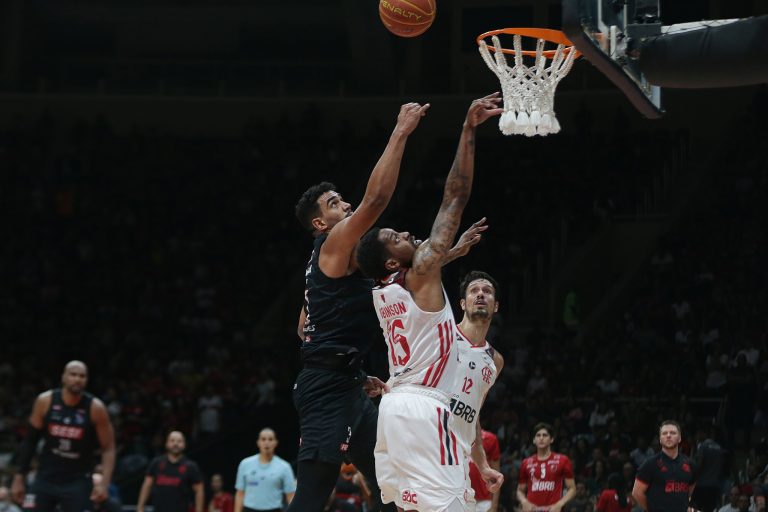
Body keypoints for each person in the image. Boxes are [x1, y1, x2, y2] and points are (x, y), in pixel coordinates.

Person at [356, 92, 504, 511]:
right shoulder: (419, 270)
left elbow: (420, 278)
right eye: (396, 238)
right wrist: (468, 130)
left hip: (393, 407)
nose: (406, 234)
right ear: (392, 260)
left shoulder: (382, 289)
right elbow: (454, 197)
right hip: (424, 408)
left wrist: (450, 254)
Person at [290, 101, 429, 512]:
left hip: (347, 383)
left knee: (389, 487)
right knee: (312, 497)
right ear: (320, 224)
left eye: (342, 200)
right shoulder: (333, 243)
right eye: (335, 204)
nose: (346, 206)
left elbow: (303, 327)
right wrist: (401, 131)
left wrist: (349, 365)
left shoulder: (325, 266)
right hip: (326, 391)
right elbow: (377, 199)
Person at [11, 361, 116, 512]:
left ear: (86, 380)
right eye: (73, 374)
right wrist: (19, 477)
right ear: (64, 377)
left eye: (82, 376)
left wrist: (104, 484)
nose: (77, 379)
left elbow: (108, 448)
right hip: (45, 478)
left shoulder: (96, 408)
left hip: (78, 481)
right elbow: (30, 441)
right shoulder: (45, 401)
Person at [452, 271, 505, 512]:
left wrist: (482, 465)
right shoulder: (443, 335)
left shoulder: (495, 361)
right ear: (463, 303)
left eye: (487, 291)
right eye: (474, 290)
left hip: (457, 457)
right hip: (425, 442)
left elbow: (472, 415)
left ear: (496, 306)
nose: (481, 294)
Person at [632, 421, 697, 512]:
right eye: (664, 433)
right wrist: (652, 509)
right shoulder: (650, 464)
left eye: (673, 433)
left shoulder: (690, 464)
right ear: (660, 439)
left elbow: (690, 491)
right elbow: (637, 493)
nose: (668, 436)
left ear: (679, 438)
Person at [136, 431, 203, 512]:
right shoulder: (156, 463)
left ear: (184, 445)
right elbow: (147, 486)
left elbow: (199, 491)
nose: (175, 444)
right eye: (172, 441)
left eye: (179, 441)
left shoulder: (191, 467)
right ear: (166, 444)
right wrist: (140, 507)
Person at [517, 423, 576, 512]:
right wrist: (524, 501)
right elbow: (520, 490)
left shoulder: (563, 460)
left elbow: (572, 488)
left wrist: (560, 504)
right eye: (538, 435)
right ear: (534, 440)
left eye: (545, 435)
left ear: (551, 439)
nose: (541, 438)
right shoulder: (526, 463)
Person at [234, 428, 295, 512]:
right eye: (263, 439)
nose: (267, 442)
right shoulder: (245, 464)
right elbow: (240, 493)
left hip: (274, 510)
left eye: (270, 439)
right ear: (258, 442)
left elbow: (290, 495)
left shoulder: (284, 467)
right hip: (249, 509)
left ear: (275, 443)